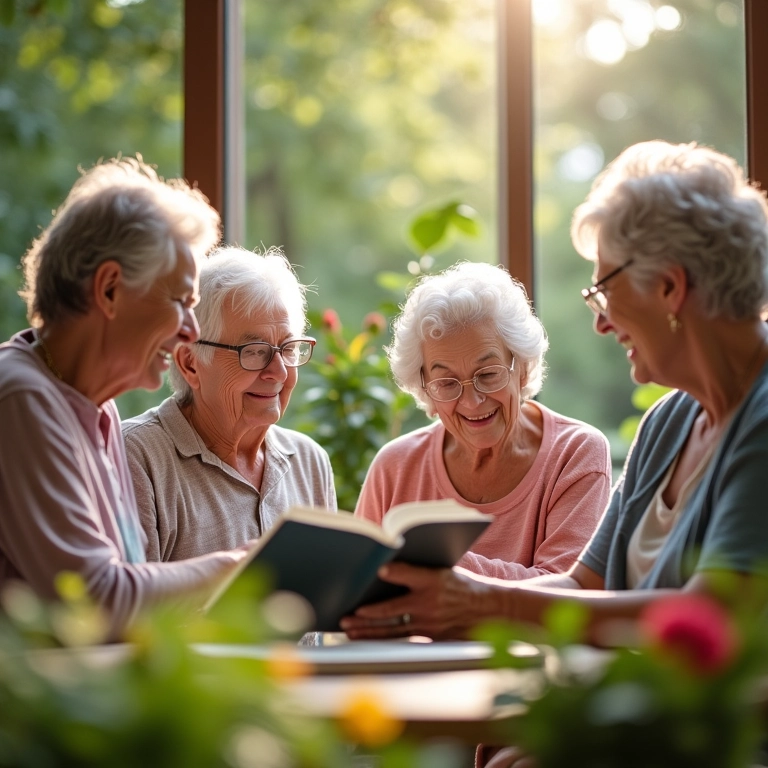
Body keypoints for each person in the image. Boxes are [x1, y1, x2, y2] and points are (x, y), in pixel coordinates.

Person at [341, 140, 768, 642]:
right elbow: (583, 586)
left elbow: (713, 614)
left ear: (670, 287)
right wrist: (462, 598)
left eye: (604, 291)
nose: (601, 323)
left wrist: (478, 600)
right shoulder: (667, 423)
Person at [0, 157, 253, 639]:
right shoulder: (21, 398)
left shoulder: (98, 407)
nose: (190, 331)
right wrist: (239, 566)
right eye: (180, 302)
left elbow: (128, 588)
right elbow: (97, 602)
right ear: (110, 288)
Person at [354, 260, 612, 581]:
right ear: (425, 389)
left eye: (488, 374)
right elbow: (358, 587)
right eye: (446, 383)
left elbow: (566, 593)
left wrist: (431, 561)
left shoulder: (575, 453)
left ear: (523, 368)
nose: (472, 401)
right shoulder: (395, 467)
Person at [122, 246, 336, 562]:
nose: (279, 372)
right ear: (190, 363)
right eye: (255, 351)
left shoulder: (309, 461)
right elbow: (128, 592)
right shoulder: (134, 457)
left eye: (288, 348)